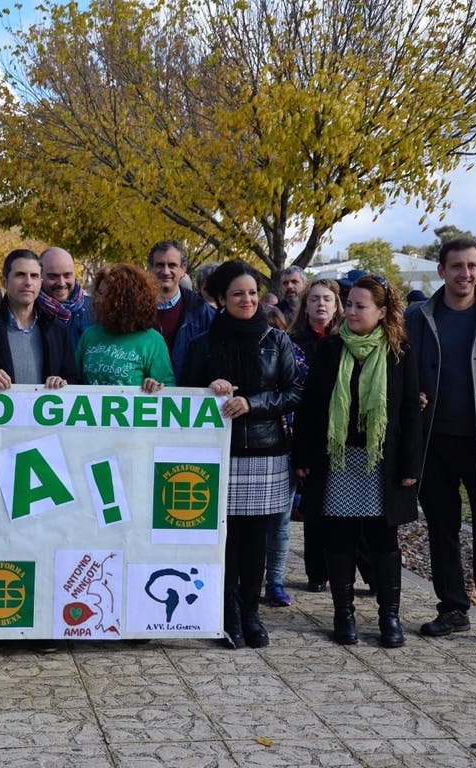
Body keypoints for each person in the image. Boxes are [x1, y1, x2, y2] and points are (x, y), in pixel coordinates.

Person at [295, 276, 421, 647]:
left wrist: (411, 465)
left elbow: (411, 411)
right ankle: (343, 615)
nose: (350, 311)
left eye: (359, 306)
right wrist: (303, 456)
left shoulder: (399, 351)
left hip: (382, 461)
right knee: (339, 539)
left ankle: (389, 617)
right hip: (338, 459)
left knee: (384, 539)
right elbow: (312, 406)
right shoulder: (332, 349)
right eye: (348, 304)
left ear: (382, 312)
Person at [183, 260, 302, 649]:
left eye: (252, 292)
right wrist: (208, 388)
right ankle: (227, 611)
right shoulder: (203, 342)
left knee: (255, 540)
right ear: (221, 298)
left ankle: (251, 612)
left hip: (266, 452)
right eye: (238, 293)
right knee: (226, 538)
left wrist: (252, 403)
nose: (248, 299)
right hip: (218, 455)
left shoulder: (277, 340)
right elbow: (184, 394)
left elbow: (295, 392)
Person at [406, 236, 476, 645]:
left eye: (471, 266)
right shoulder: (419, 316)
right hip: (435, 441)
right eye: (456, 266)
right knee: (443, 528)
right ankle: (452, 609)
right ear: (442, 271)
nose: (465, 274)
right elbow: (403, 369)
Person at [285, 279, 344, 596]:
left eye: (327, 299)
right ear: (305, 305)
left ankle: (345, 569)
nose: (321, 304)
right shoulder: (291, 342)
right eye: (315, 299)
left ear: (337, 306)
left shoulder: (348, 341)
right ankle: (316, 572)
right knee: (315, 506)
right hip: (303, 427)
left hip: (341, 431)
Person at [0, 249, 78, 389]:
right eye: (20, 275)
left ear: (40, 282)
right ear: (4, 281)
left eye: (34, 276)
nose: (28, 282)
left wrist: (63, 382)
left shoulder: (57, 329)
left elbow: (73, 379)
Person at [76, 263, 174, 392]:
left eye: (107, 295)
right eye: (99, 293)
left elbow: (170, 390)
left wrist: (155, 385)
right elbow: (74, 379)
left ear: (126, 301)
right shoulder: (89, 335)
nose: (98, 300)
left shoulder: (152, 341)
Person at [145, 240, 214, 381]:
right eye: (159, 265)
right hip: (144, 397)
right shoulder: (133, 311)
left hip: (188, 397)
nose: (165, 271)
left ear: (183, 269)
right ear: (150, 268)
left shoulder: (203, 313)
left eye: (172, 265)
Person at [37, 246, 94, 350]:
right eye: (53, 276)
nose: (61, 283)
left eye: (67, 275)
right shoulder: (29, 312)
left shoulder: (95, 309)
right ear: (40, 276)